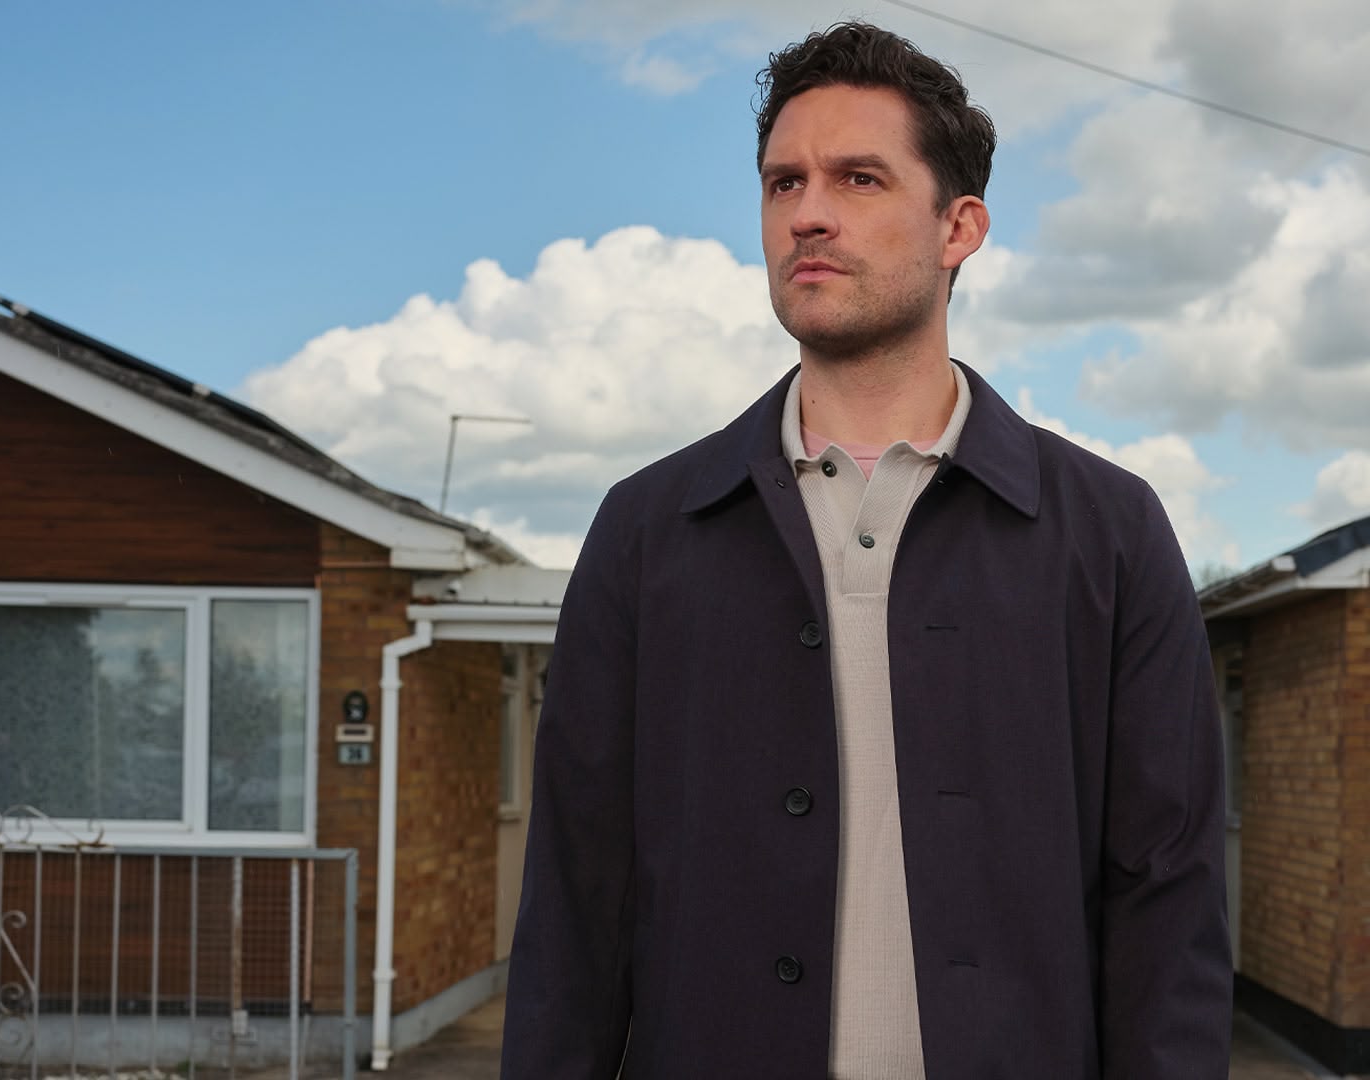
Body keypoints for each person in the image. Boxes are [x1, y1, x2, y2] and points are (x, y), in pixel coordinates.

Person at [501, 21, 1230, 1080]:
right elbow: (575, 900)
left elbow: (1168, 900)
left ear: (958, 227)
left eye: (858, 178)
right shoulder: (646, 532)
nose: (808, 213)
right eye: (783, 183)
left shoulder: (1110, 534)